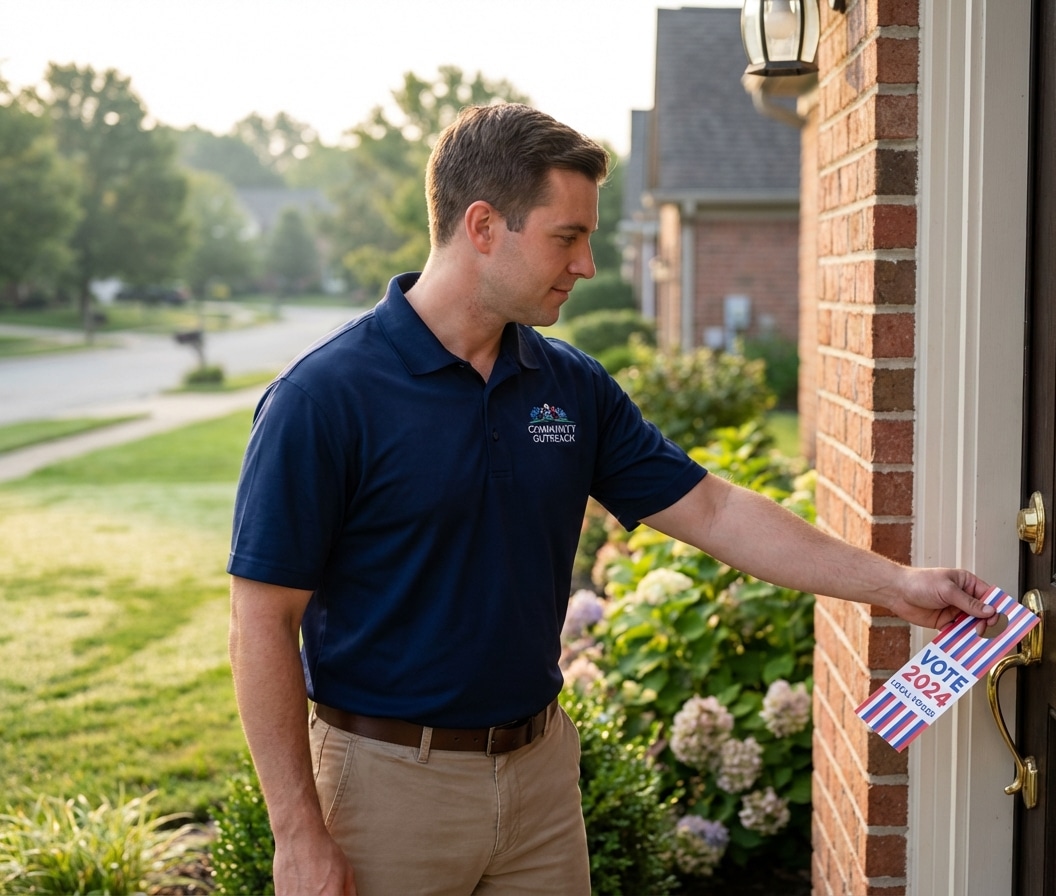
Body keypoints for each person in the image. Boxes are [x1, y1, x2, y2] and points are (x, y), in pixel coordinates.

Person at [227, 102, 997, 896]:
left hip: (540, 783)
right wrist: (298, 834)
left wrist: (895, 585)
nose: (588, 265)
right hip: (387, 790)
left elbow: (715, 511)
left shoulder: (569, 387)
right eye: (568, 236)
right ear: (483, 226)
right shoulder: (324, 398)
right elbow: (262, 621)